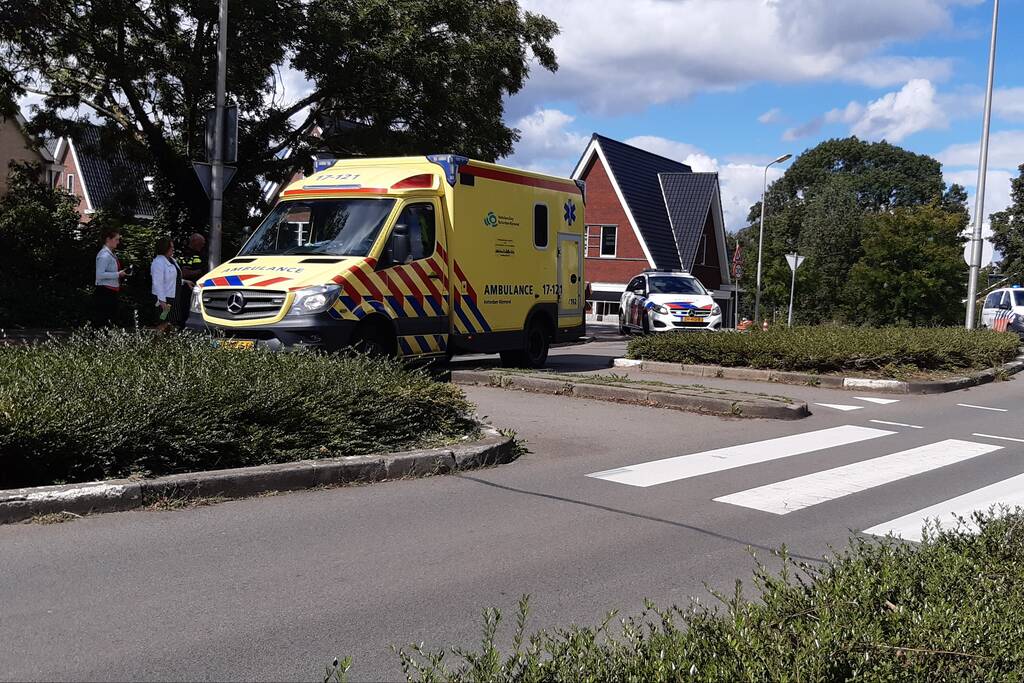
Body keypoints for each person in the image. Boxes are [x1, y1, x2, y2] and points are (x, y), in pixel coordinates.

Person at [151, 237, 189, 332]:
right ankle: (158, 341)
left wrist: (184, 281)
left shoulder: (172, 260)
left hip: (173, 297)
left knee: (172, 321)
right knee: (163, 321)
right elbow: (157, 283)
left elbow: (173, 278)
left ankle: (169, 342)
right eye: (171, 247)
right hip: (165, 299)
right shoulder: (158, 262)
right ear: (164, 248)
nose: (173, 249)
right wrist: (162, 301)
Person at [94, 228, 127, 327]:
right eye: (116, 239)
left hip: (111, 291)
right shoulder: (104, 255)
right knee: (105, 321)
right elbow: (99, 275)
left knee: (111, 320)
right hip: (105, 291)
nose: (118, 242)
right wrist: (118, 274)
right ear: (108, 239)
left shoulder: (110, 254)